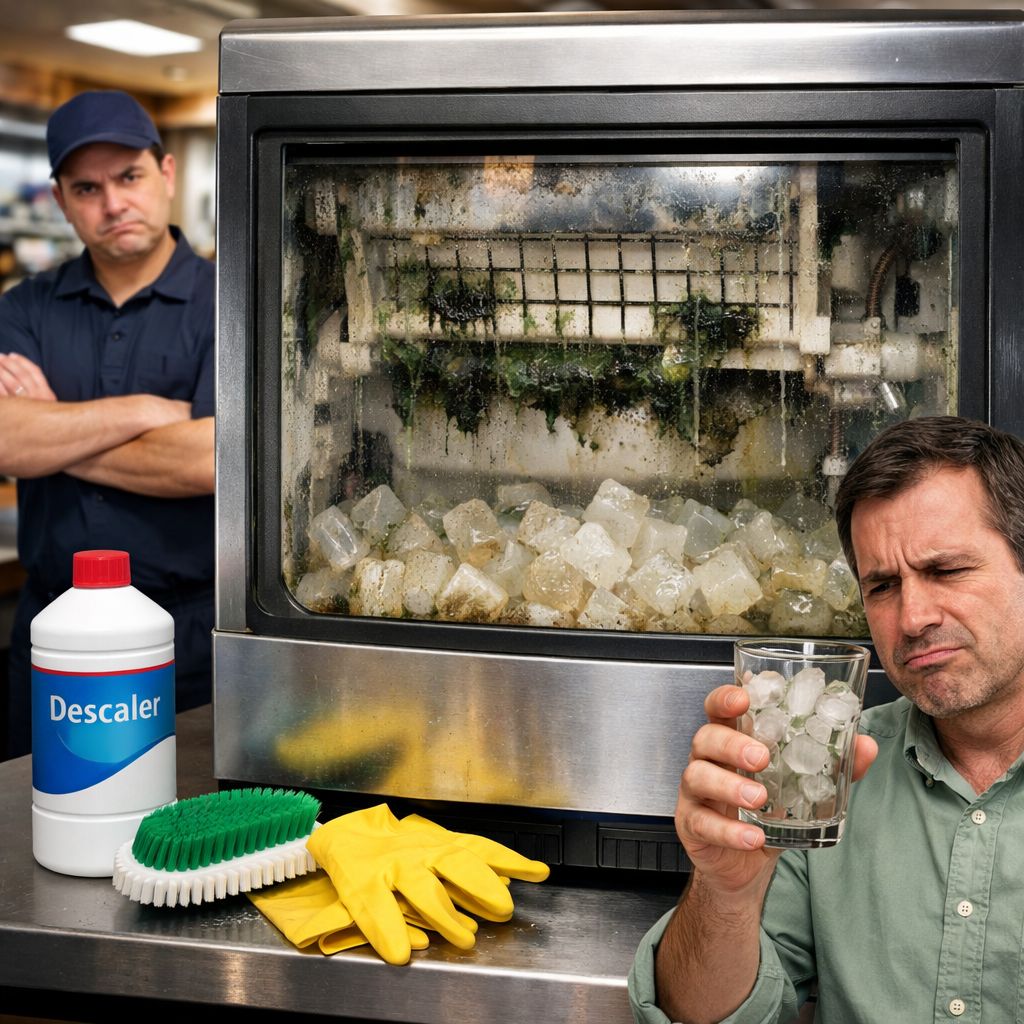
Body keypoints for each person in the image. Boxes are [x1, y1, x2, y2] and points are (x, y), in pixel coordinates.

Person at [629, 415, 1024, 1024]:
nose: (913, 616)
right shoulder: (828, 775)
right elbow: (701, 1017)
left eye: (946, 570)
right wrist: (725, 891)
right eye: (883, 585)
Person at [0, 90, 215, 758]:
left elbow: (212, 458)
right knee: (26, 835)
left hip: (187, 639)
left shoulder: (227, 301)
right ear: (61, 201)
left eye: (129, 177)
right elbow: (6, 438)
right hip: (48, 627)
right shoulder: (26, 306)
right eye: (87, 188)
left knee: (184, 841)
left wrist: (51, 433)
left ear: (167, 175)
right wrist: (150, 414)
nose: (113, 204)